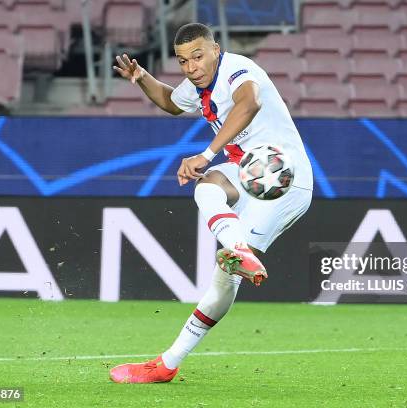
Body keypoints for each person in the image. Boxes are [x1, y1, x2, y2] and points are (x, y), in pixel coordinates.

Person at [109, 23, 313, 384]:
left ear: (216, 49)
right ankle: (167, 364)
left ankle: (236, 254)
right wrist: (141, 76)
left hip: (284, 177)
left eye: (198, 56)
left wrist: (206, 153)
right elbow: (172, 103)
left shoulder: (238, 69)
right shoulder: (197, 84)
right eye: (183, 61)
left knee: (209, 188)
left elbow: (249, 103)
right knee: (206, 191)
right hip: (252, 172)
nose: (191, 67)